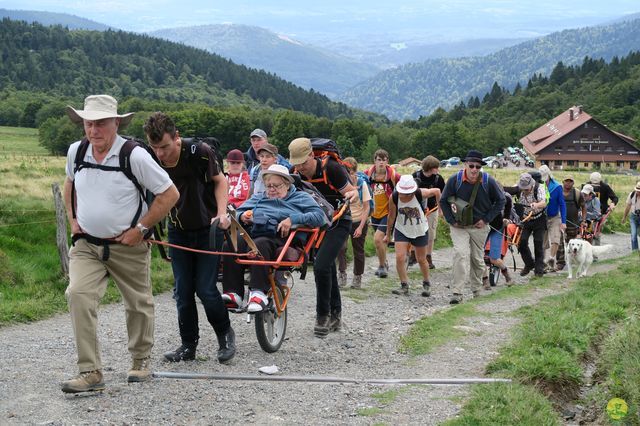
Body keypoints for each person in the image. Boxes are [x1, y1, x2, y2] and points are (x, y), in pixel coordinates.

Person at [61, 95, 179, 393]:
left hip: (128, 246)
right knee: (78, 294)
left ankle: (140, 361)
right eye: (89, 123)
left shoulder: (134, 155)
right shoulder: (77, 152)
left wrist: (141, 228)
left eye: (100, 123)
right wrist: (73, 220)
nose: (93, 130)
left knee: (138, 303)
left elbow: (169, 194)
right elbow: (69, 184)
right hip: (87, 244)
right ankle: (90, 372)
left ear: (116, 123)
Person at [143, 112, 236, 365]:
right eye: (155, 148)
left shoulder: (200, 152)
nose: (160, 154)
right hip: (178, 229)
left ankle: (225, 335)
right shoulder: (150, 158)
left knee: (206, 289)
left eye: (164, 147)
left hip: (208, 229)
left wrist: (221, 214)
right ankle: (188, 345)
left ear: (177, 138)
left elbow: (220, 182)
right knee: (182, 291)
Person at [221, 164, 328, 311]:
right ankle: (234, 294)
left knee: (259, 244)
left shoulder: (301, 197)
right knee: (230, 245)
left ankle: (258, 293)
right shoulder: (259, 197)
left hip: (282, 237)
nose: (271, 190)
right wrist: (243, 216)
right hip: (255, 231)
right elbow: (237, 212)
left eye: (276, 186)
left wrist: (293, 219)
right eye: (268, 185)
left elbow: (319, 217)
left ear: (287, 184)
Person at [288, 137, 358, 337]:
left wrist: (351, 196)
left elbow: (352, 192)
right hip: (317, 223)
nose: (300, 167)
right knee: (326, 266)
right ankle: (336, 315)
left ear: (312, 155)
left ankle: (322, 315)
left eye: (303, 162)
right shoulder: (295, 174)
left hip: (338, 222)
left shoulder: (332, 169)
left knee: (320, 265)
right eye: (296, 163)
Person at [439, 150, 505, 304]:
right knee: (460, 254)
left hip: (479, 227)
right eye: (471, 166)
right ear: (465, 165)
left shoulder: (488, 181)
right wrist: (450, 220)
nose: (475, 169)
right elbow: (443, 201)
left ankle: (476, 290)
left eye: (478, 166)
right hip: (459, 226)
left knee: (476, 258)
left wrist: (486, 219)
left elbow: (500, 201)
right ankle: (457, 292)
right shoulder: (455, 180)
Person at [385, 175, 440, 296]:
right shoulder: (393, 197)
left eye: (408, 193)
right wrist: (387, 234)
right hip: (402, 229)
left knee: (421, 259)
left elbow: (437, 191)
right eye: (403, 192)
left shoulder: (420, 193)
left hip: (419, 229)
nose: (405, 195)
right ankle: (404, 285)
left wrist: (440, 209)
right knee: (400, 257)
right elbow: (391, 216)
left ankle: (426, 283)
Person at [365, 149, 400, 278]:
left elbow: (405, 189)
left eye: (384, 159)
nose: (381, 162)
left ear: (387, 161)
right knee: (382, 242)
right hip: (374, 213)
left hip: (388, 213)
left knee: (377, 239)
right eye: (379, 159)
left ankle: (381, 266)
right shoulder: (367, 175)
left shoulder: (394, 176)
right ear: (374, 161)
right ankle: (384, 262)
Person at [337, 157, 371, 289]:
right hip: (344, 220)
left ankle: (358, 276)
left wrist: (361, 227)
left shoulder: (362, 184)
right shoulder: (340, 185)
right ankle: (342, 273)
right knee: (341, 248)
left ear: (355, 172)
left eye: (350, 172)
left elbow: (367, 207)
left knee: (358, 250)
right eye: (346, 172)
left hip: (358, 221)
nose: (348, 175)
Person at [412, 155, 445, 269]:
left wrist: (441, 210)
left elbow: (443, 196)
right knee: (415, 232)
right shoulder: (415, 176)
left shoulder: (438, 179)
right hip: (416, 210)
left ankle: (428, 256)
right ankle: (413, 254)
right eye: (436, 167)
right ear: (431, 168)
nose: (438, 169)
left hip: (432, 209)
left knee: (431, 234)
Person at [514, 173, 548, 278]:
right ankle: (529, 264)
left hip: (539, 218)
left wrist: (536, 205)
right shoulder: (518, 189)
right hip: (526, 219)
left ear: (531, 185)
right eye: (523, 189)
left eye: (527, 189)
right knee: (521, 242)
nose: (525, 191)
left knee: (538, 243)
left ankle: (539, 271)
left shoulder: (540, 188)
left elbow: (544, 202)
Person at [483, 190, 514, 288]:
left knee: (494, 258)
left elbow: (508, 210)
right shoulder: (483, 197)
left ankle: (507, 276)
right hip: (482, 227)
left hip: (497, 228)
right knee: (478, 256)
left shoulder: (506, 198)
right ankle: (485, 280)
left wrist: (506, 218)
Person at [538, 165, 566, 272]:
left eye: (546, 178)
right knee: (542, 241)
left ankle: (551, 258)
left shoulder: (557, 187)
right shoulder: (538, 186)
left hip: (554, 216)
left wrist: (563, 221)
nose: (544, 181)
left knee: (556, 237)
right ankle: (543, 262)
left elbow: (562, 204)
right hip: (542, 217)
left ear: (549, 176)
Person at [555, 176, 586, 271]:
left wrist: (583, 220)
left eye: (570, 181)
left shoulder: (577, 193)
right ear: (562, 182)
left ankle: (572, 261)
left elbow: (583, 207)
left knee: (572, 244)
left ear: (573, 183)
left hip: (573, 223)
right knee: (559, 243)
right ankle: (560, 263)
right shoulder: (557, 191)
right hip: (559, 222)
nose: (568, 183)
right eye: (566, 181)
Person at [586, 171, 618, 246]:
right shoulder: (586, 185)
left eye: (596, 184)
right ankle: (588, 249)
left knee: (597, 231)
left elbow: (615, 198)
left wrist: (613, 203)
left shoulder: (605, 187)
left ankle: (596, 253)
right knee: (588, 231)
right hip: (589, 212)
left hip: (602, 212)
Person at [621, 181, 640, 251]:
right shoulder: (632, 195)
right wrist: (624, 217)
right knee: (633, 234)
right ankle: (635, 251)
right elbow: (628, 207)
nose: (638, 193)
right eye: (637, 191)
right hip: (633, 217)